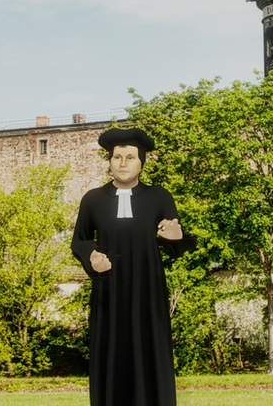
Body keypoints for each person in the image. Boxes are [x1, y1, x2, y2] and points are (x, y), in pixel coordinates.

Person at [71, 127, 195, 406]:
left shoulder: (159, 197)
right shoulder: (93, 199)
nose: (123, 163)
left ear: (142, 162)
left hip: (147, 289)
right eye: (117, 157)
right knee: (110, 350)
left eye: (130, 157)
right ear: (109, 161)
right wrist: (92, 257)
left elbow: (174, 240)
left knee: (150, 347)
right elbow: (79, 240)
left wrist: (175, 237)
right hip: (108, 292)